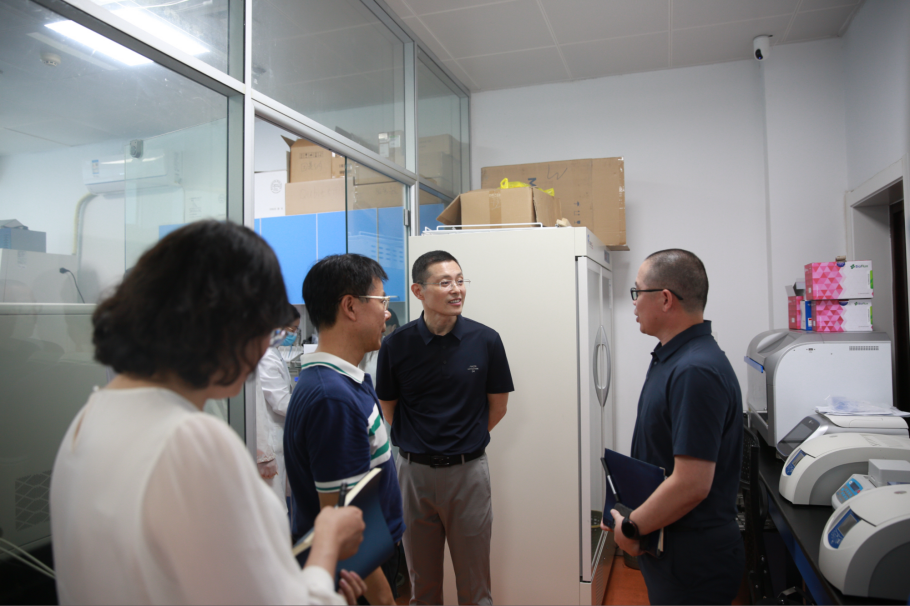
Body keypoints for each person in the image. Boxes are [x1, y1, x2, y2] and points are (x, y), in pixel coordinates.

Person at [50, 220, 368, 605]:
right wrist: (328, 542)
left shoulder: (90, 418)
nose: (263, 349)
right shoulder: (189, 440)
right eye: (267, 330)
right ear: (227, 322)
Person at [603, 249, 744, 605]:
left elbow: (691, 484)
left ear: (665, 299)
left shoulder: (695, 370)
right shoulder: (673, 357)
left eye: (637, 292)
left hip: (693, 560)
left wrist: (633, 526)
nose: (633, 303)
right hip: (668, 543)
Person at [376, 250, 513, 606]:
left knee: (475, 588)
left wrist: (462, 439)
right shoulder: (396, 344)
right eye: (445, 282)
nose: (457, 289)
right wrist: (422, 441)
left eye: (460, 281)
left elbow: (498, 407)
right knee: (423, 587)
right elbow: (388, 408)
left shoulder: (486, 340)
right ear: (418, 291)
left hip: (468, 473)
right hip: (413, 474)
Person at [284, 254, 405, 606]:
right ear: (350, 306)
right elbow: (344, 526)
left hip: (372, 558)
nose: (386, 314)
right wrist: (384, 600)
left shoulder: (348, 381)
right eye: (382, 301)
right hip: (358, 575)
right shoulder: (332, 398)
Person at [257, 306, 301, 512]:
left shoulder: (272, 352)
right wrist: (309, 406)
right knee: (274, 508)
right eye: (291, 329)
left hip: (279, 439)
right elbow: (281, 402)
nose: (293, 335)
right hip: (271, 443)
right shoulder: (265, 355)